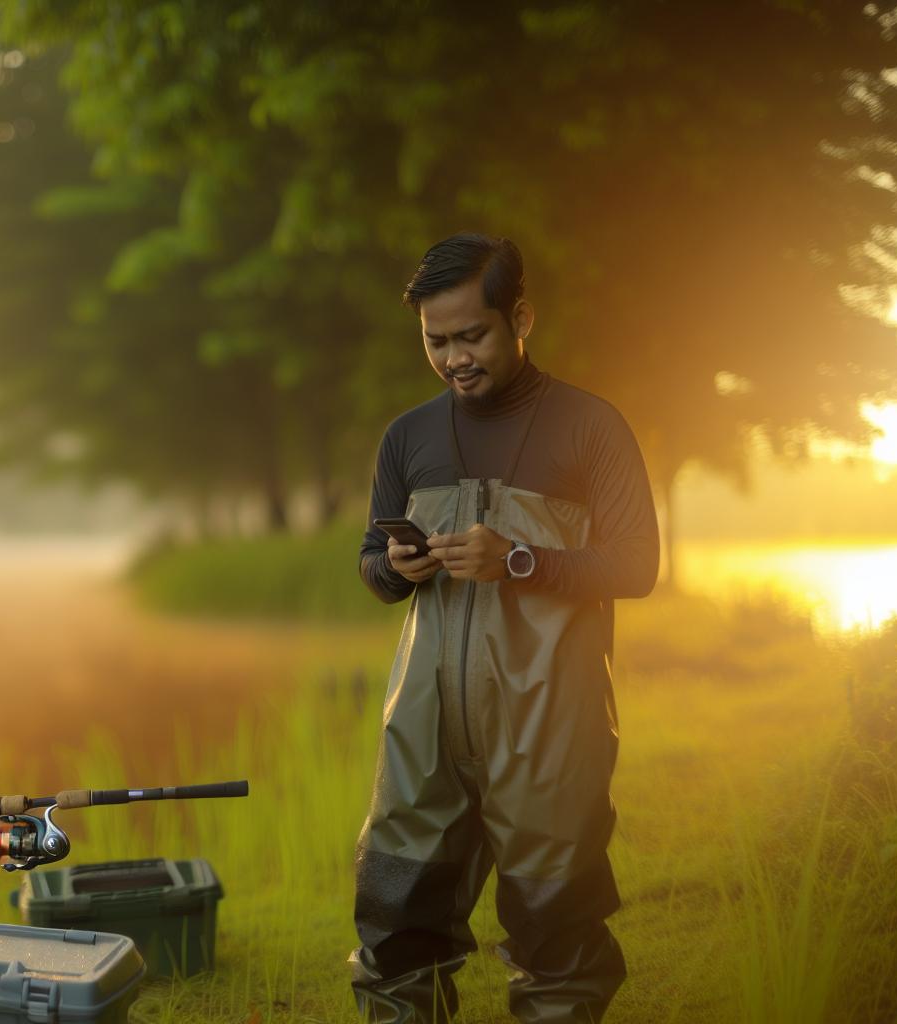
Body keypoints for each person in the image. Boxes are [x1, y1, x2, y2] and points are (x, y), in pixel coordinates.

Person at [349, 234, 659, 1023]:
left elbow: (636, 565)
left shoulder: (591, 427)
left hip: (552, 722)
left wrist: (518, 559)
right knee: (394, 919)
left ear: (520, 316)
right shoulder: (406, 437)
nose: (455, 357)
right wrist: (397, 567)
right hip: (422, 724)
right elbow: (371, 567)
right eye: (435, 341)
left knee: (557, 930)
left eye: (472, 335)